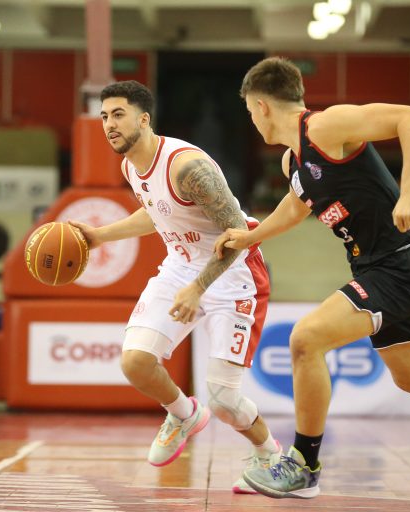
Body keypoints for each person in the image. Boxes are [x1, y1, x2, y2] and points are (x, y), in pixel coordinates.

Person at [214, 57, 410, 500]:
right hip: (374, 269)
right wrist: (251, 237)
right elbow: (296, 206)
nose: (252, 120)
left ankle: (304, 464)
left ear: (262, 106)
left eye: (250, 111)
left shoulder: (325, 127)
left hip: (398, 266)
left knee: (306, 340)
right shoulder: (293, 161)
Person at [69, 80, 281, 494]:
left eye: (118, 115)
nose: (109, 125)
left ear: (143, 119)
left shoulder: (188, 167)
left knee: (224, 400)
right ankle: (184, 414)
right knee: (135, 363)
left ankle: (269, 455)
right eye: (104, 117)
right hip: (181, 268)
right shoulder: (130, 165)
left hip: (234, 274)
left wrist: (198, 288)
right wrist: (99, 236)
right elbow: (157, 213)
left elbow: (238, 237)